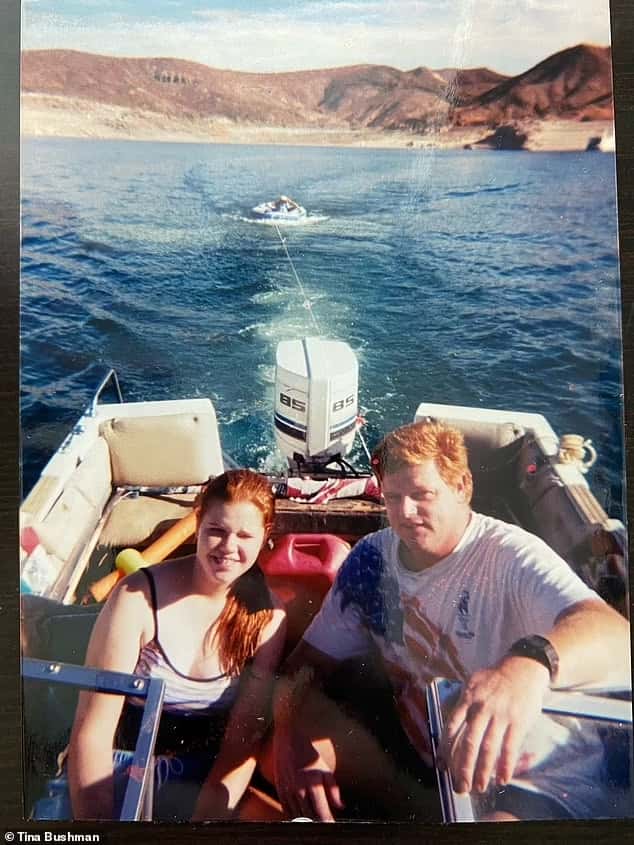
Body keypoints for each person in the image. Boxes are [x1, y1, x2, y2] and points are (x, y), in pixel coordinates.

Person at [270, 420, 631, 822]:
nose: (405, 513)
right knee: (277, 763)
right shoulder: (371, 562)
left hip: (532, 778)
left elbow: (614, 633)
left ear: (462, 486)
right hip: (428, 760)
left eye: (422, 495)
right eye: (392, 497)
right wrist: (291, 733)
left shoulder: (511, 558)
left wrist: (526, 667)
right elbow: (304, 665)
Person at [68, 469, 287, 821]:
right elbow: (93, 730)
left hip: (207, 774)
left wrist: (205, 817)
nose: (229, 547)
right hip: (119, 762)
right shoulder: (137, 597)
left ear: (265, 537)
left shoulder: (268, 619)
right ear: (197, 524)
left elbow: (240, 745)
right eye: (216, 530)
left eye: (245, 535)